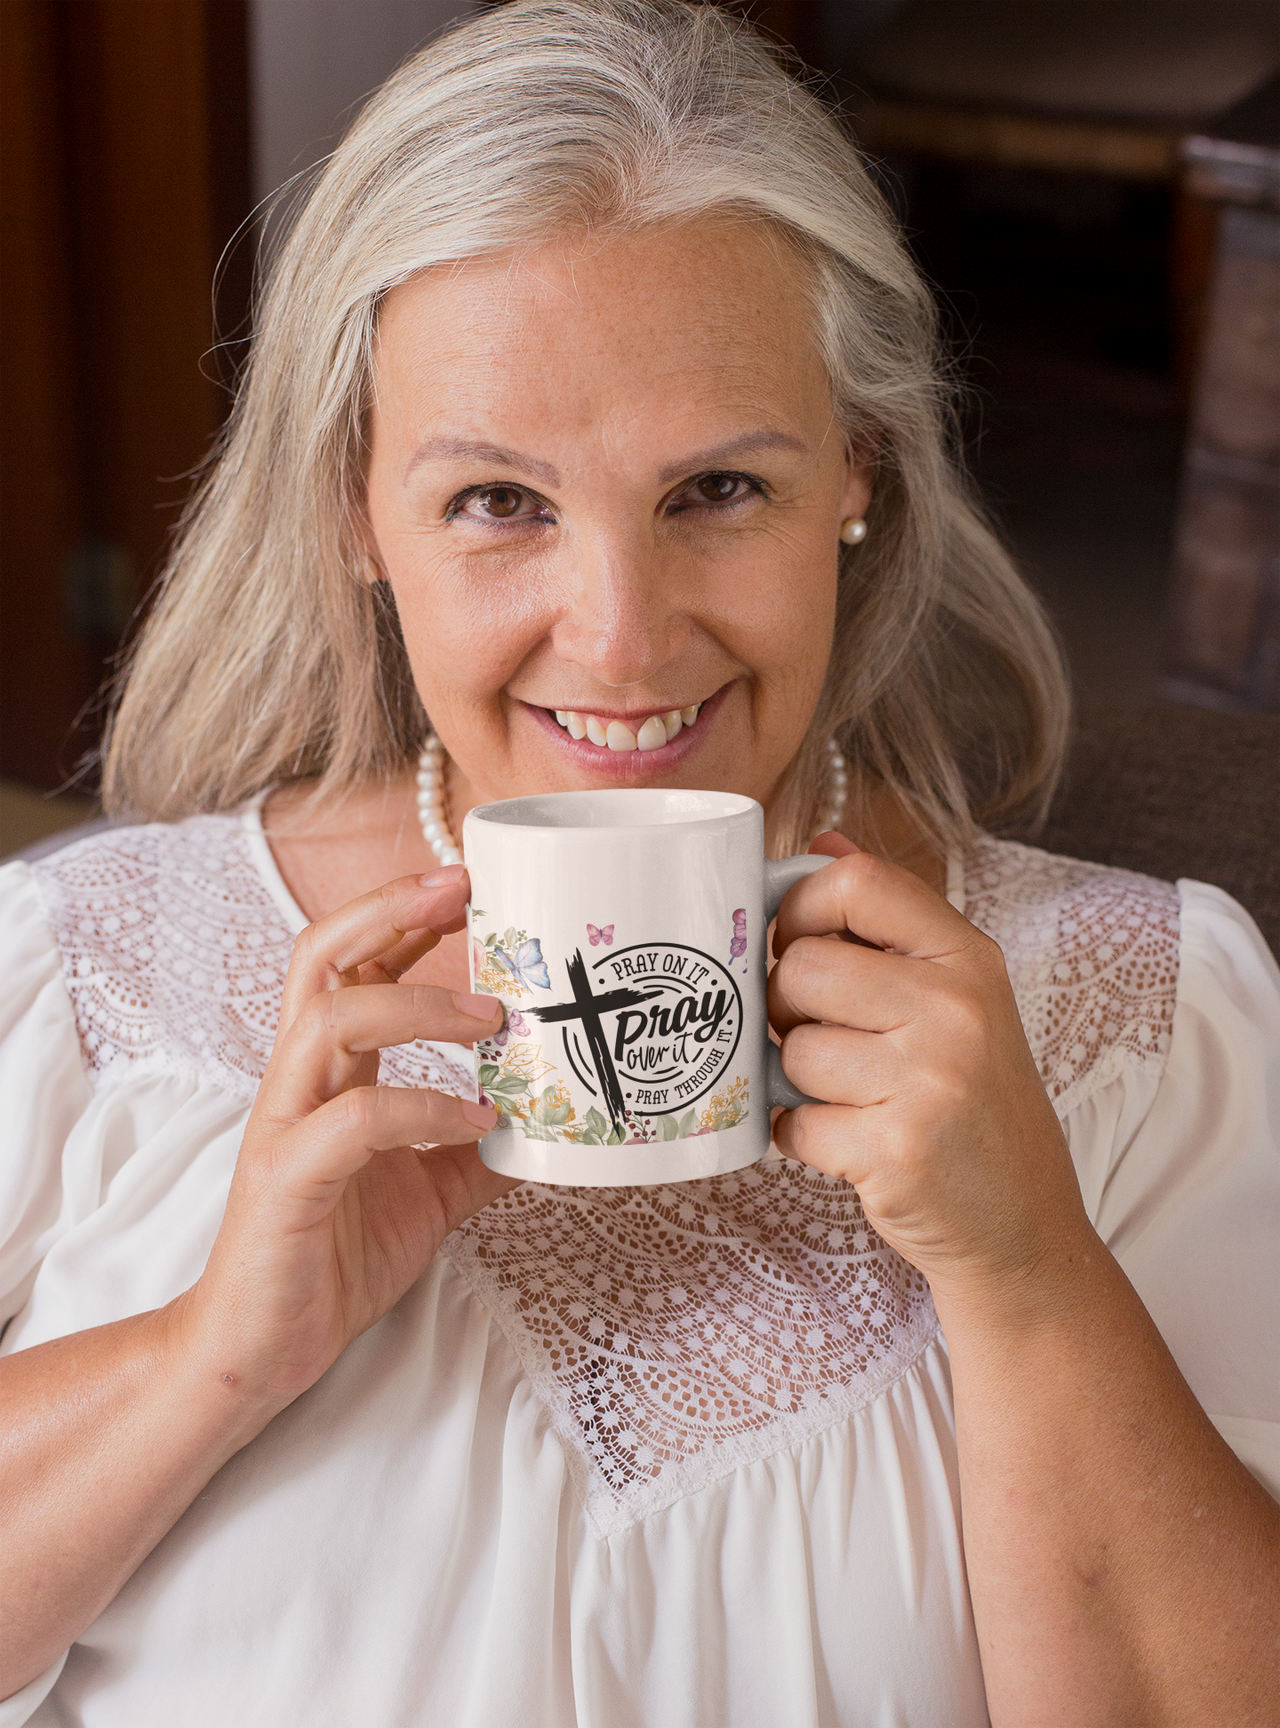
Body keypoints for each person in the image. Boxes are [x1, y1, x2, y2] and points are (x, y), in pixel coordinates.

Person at [1, 3, 1276, 1723]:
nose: (618, 641)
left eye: (719, 488)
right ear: (353, 516)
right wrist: (208, 1355)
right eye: (497, 503)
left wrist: (1029, 1270)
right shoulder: (73, 969)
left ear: (859, 477)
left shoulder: (1154, 1010)